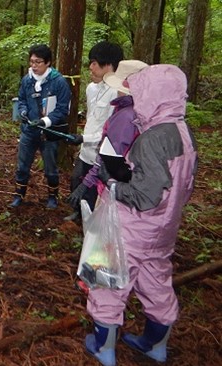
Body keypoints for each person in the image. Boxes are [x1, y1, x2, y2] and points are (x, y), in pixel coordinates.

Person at [83, 64, 198, 366]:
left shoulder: (153, 138)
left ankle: (102, 348)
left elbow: (145, 196)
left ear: (154, 94)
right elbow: (183, 184)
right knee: (156, 282)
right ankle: (155, 345)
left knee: (107, 282)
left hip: (132, 227)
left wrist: (112, 185)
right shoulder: (183, 133)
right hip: (163, 229)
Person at [67, 60, 148, 210]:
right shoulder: (142, 112)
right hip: (131, 182)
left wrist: (87, 182)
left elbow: (109, 155)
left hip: (119, 183)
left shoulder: (125, 116)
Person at [64, 41, 124, 221]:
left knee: (94, 188)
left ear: (109, 66)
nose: (90, 67)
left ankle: (91, 222)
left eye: (94, 63)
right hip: (85, 150)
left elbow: (110, 131)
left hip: (102, 152)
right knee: (76, 180)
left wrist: (83, 138)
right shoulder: (91, 89)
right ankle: (77, 213)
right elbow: (92, 119)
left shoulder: (118, 94)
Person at [10, 44, 71, 209]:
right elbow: (22, 99)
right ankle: (18, 195)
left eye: (38, 62)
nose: (34, 66)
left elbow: (63, 109)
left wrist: (46, 121)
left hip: (49, 133)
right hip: (29, 131)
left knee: (51, 168)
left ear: (48, 63)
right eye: (31, 62)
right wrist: (22, 111)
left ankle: (52, 196)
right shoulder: (27, 80)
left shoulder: (59, 82)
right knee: (22, 166)